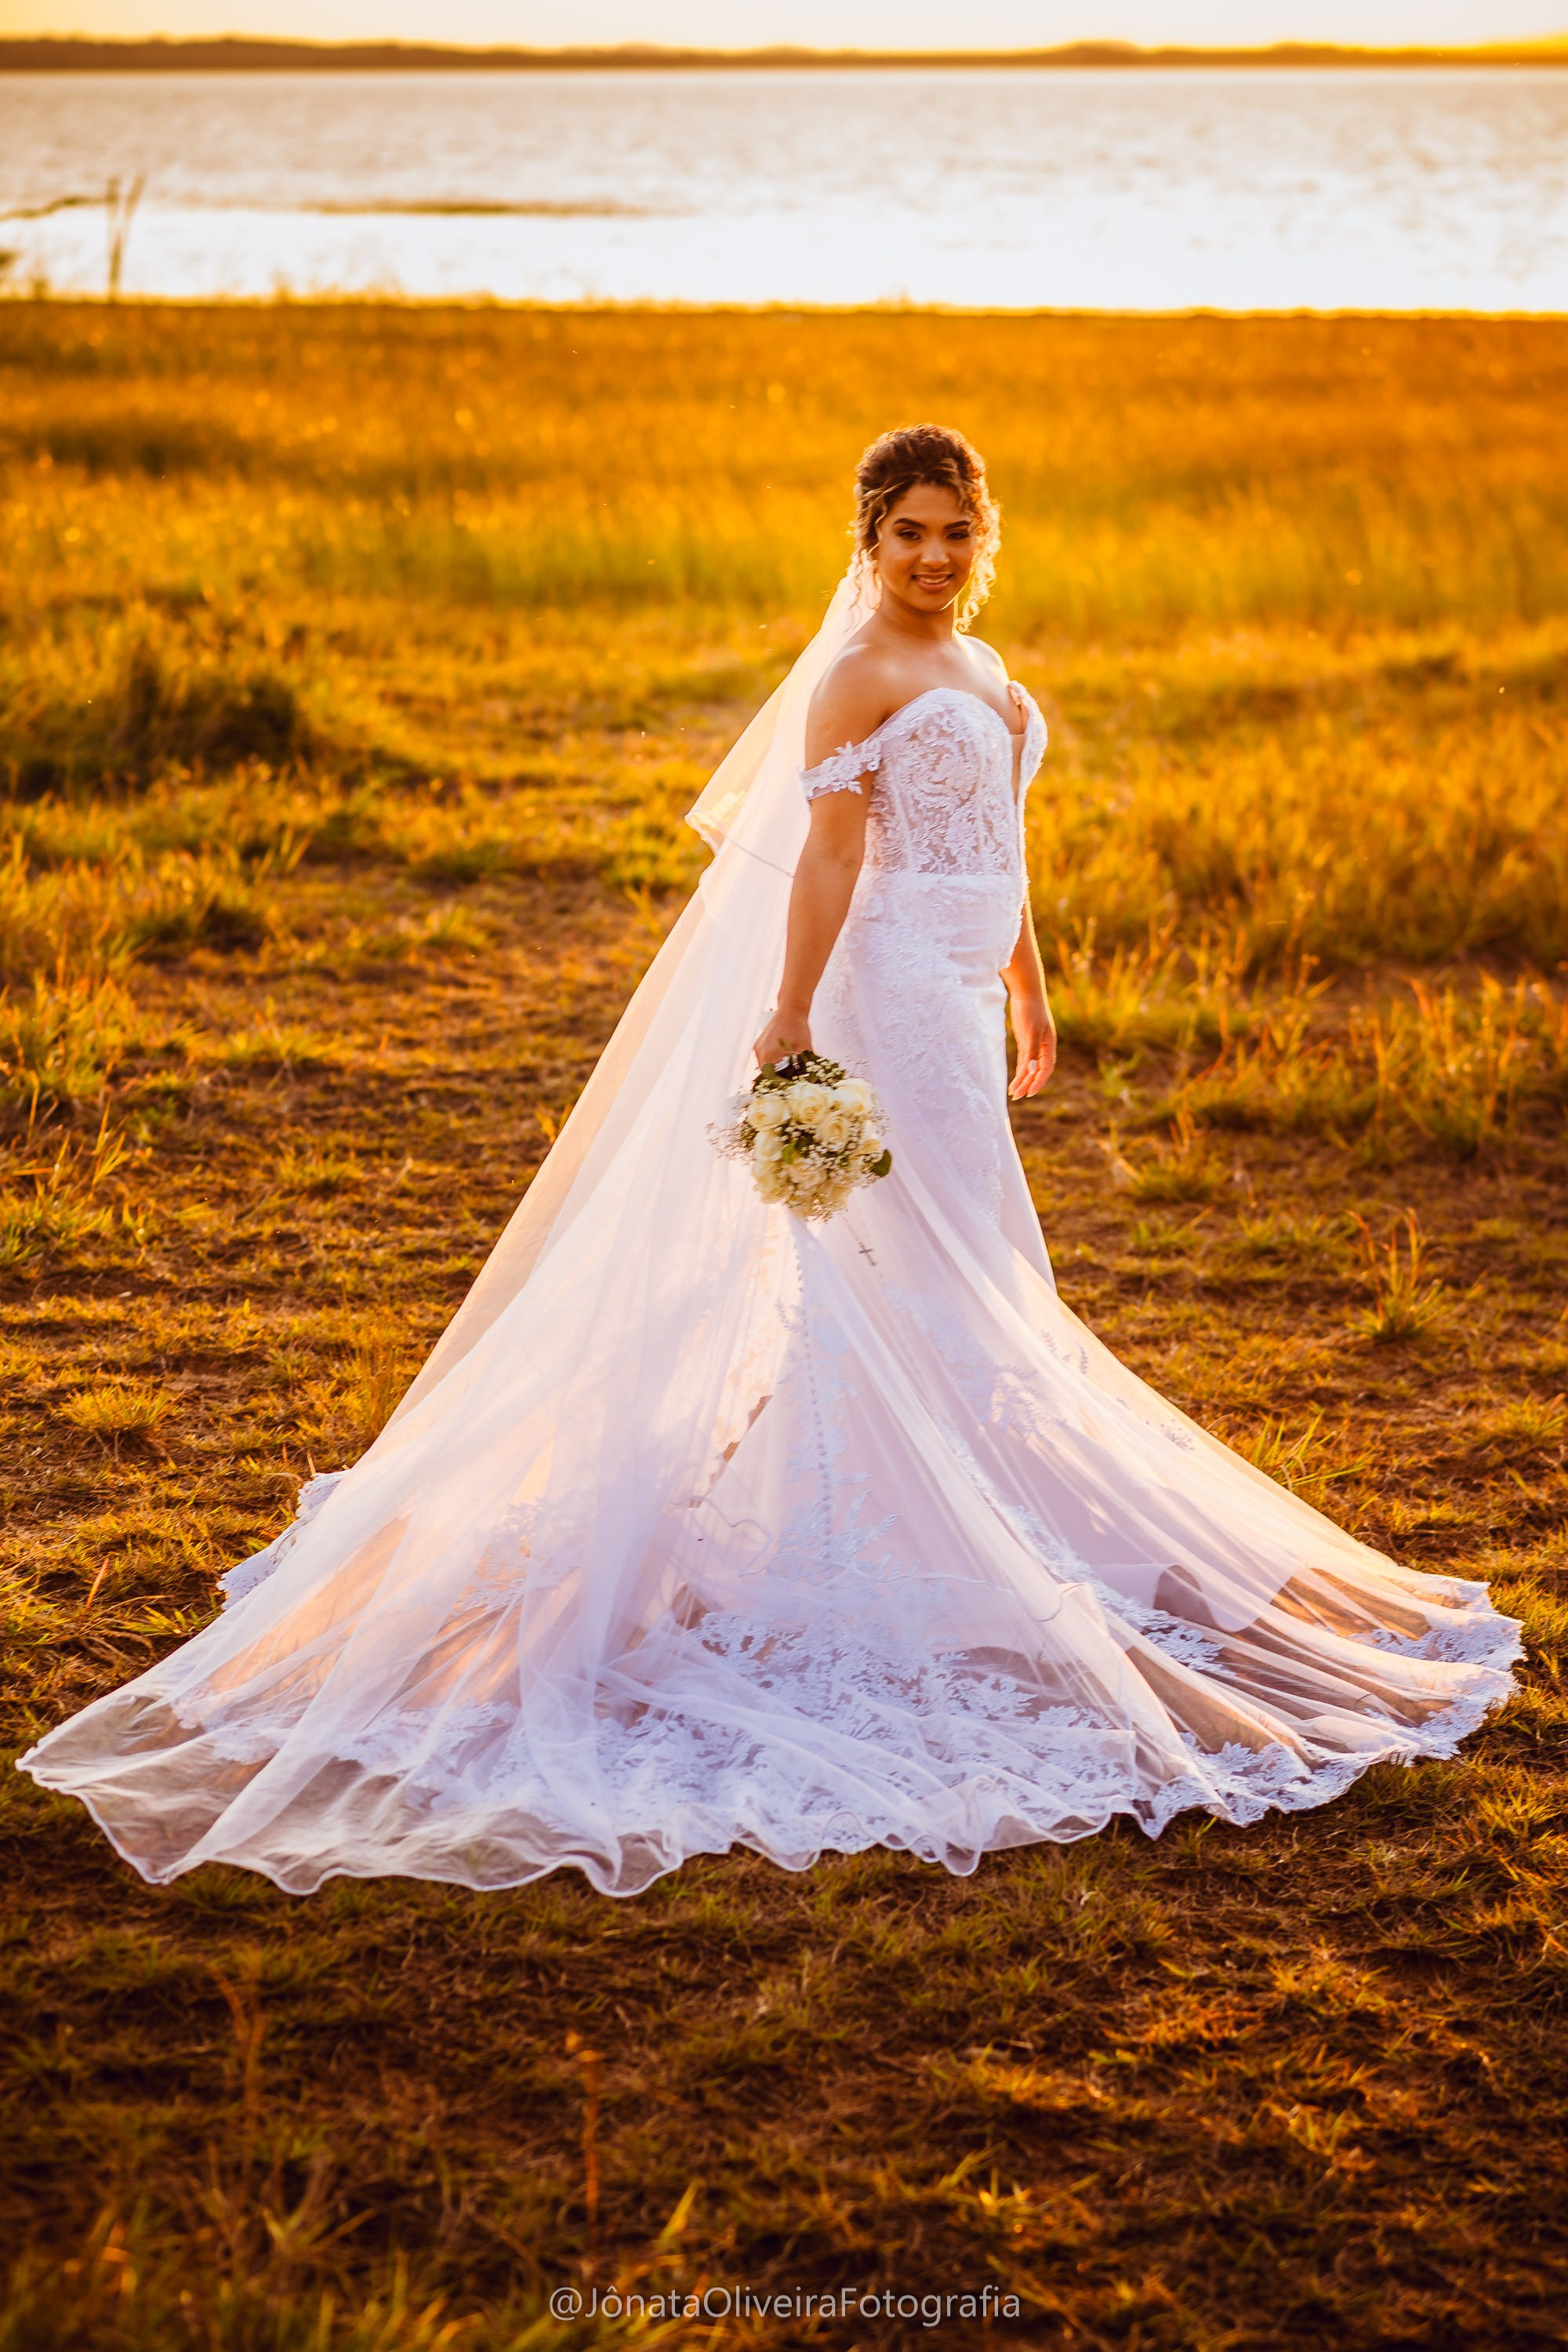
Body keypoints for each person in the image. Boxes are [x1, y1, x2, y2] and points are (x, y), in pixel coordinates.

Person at [20, 425, 1519, 1898]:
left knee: (975, 1251)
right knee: (909, 1252)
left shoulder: (984, 665)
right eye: (907, 533)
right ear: (869, 540)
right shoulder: (856, 674)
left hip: (961, 987)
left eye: (956, 532)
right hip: (883, 995)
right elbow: (831, 855)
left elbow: (1001, 845)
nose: (933, 556)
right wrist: (794, 1013)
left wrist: (1029, 986)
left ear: (983, 539)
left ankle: (970, 1496)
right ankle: (880, 1521)